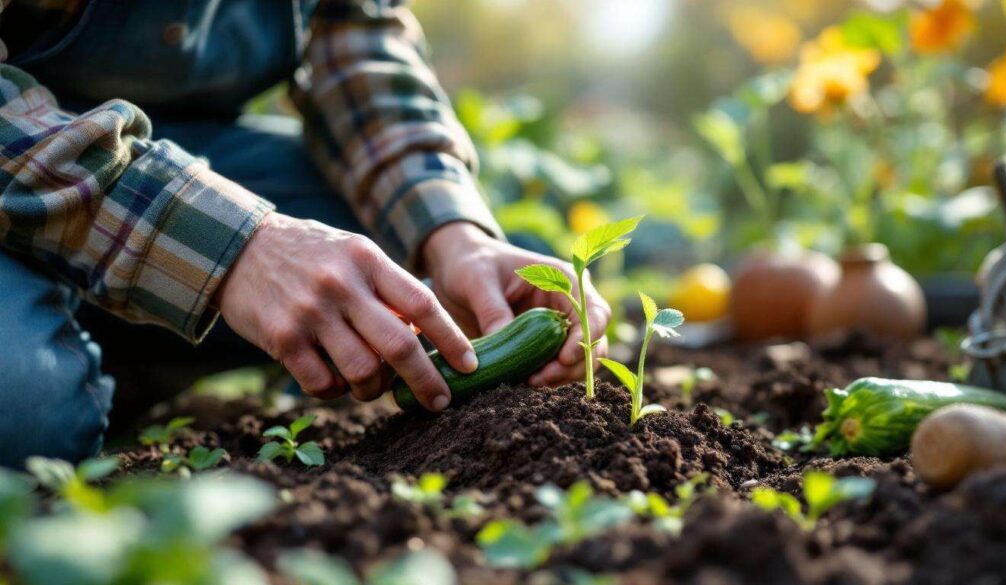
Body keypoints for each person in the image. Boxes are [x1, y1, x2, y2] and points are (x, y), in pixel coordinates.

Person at [0, 0, 611, 468]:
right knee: (25, 417)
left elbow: (359, 43)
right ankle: (97, 336)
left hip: (162, 154)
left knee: (389, 256)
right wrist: (233, 247)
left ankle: (126, 341)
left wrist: (454, 233)